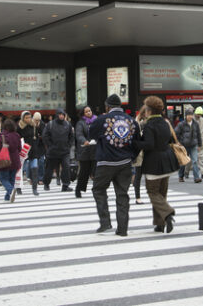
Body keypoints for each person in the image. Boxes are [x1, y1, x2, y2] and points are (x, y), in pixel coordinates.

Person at [89, 94, 140, 236]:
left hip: (105, 162)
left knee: (98, 190)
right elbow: (137, 142)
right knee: (122, 194)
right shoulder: (131, 121)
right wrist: (132, 157)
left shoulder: (102, 120)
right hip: (124, 163)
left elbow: (91, 135)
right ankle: (122, 229)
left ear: (107, 106)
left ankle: (105, 222)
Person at [136, 96, 180, 233]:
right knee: (161, 193)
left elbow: (149, 145)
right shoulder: (165, 122)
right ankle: (160, 224)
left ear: (149, 110)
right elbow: (172, 139)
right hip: (167, 162)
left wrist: (135, 143)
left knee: (153, 192)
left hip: (153, 163)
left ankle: (167, 213)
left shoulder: (150, 125)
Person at [42, 108, 74, 192]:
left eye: (63, 114)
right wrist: (50, 146)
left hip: (64, 151)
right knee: (49, 168)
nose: (61, 116)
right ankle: (46, 184)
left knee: (66, 167)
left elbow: (71, 136)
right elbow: (45, 136)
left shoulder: (67, 124)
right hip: (53, 151)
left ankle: (65, 185)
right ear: (56, 115)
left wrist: (68, 146)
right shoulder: (50, 124)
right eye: (60, 114)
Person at [0, 118, 22, 202]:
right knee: (12, 179)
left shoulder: (1, 137)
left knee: (4, 179)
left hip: (4, 161)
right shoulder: (17, 135)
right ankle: (7, 197)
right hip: (15, 160)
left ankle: (10, 190)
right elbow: (19, 148)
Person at [74, 106, 97, 198]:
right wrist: (84, 141)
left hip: (95, 150)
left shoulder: (96, 121)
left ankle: (97, 190)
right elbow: (78, 134)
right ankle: (78, 189)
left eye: (90, 111)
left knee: (96, 173)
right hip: (85, 151)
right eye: (86, 112)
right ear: (83, 114)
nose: (88, 113)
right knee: (84, 172)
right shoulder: (81, 123)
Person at [175, 106, 202, 183]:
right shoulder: (181, 124)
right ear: (186, 116)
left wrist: (199, 144)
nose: (190, 116)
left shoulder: (195, 124)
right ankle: (181, 176)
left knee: (195, 161)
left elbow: (199, 134)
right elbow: (175, 133)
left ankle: (196, 177)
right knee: (183, 162)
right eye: (188, 115)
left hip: (193, 145)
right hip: (184, 145)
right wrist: (178, 142)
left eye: (191, 115)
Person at [18, 111, 41, 195]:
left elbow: (37, 137)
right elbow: (17, 139)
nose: (28, 119)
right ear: (23, 118)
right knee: (19, 169)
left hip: (33, 150)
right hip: (23, 151)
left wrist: (36, 146)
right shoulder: (19, 127)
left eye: (29, 117)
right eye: (26, 118)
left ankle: (34, 188)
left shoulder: (33, 125)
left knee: (35, 168)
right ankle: (18, 187)